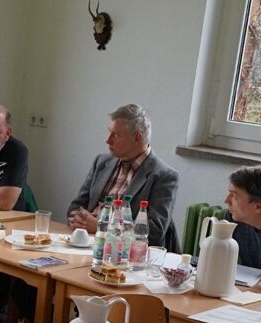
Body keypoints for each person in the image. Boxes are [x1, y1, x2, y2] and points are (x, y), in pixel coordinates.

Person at [67, 103, 180, 249]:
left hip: (127, 255)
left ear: (137, 138)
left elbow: (154, 232)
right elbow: (76, 205)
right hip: (86, 244)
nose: (108, 140)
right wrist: (78, 220)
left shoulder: (164, 176)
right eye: (109, 132)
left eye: (116, 135)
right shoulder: (102, 162)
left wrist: (102, 227)